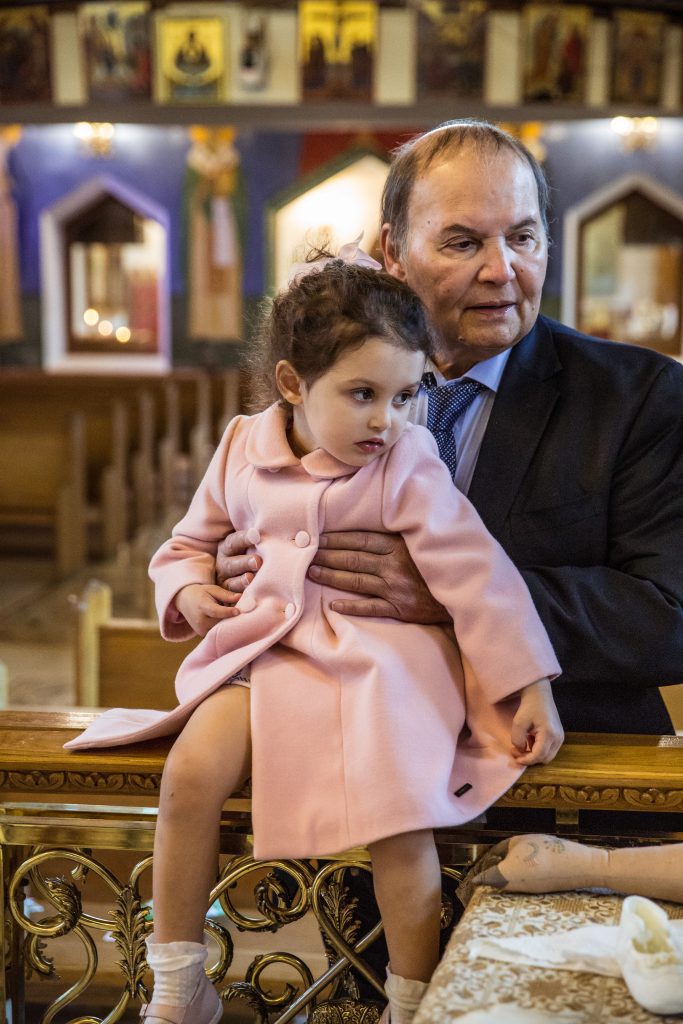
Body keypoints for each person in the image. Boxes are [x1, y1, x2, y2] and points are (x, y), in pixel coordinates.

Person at [66, 251, 563, 1024]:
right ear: (294, 384)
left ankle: (411, 998)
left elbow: (478, 577)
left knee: (399, 817)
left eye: (404, 396)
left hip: (379, 669)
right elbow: (185, 547)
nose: (385, 420)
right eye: (362, 394)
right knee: (191, 774)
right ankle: (178, 979)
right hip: (263, 656)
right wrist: (194, 591)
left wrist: (527, 683)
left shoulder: (406, 462)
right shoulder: (241, 447)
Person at [218, 119, 683, 738]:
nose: (502, 269)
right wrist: (243, 561)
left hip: (554, 768)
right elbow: (267, 518)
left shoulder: (639, 397)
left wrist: (452, 598)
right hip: (343, 745)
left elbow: (669, 617)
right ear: (394, 252)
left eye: (523, 237)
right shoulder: (325, 383)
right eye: (463, 243)